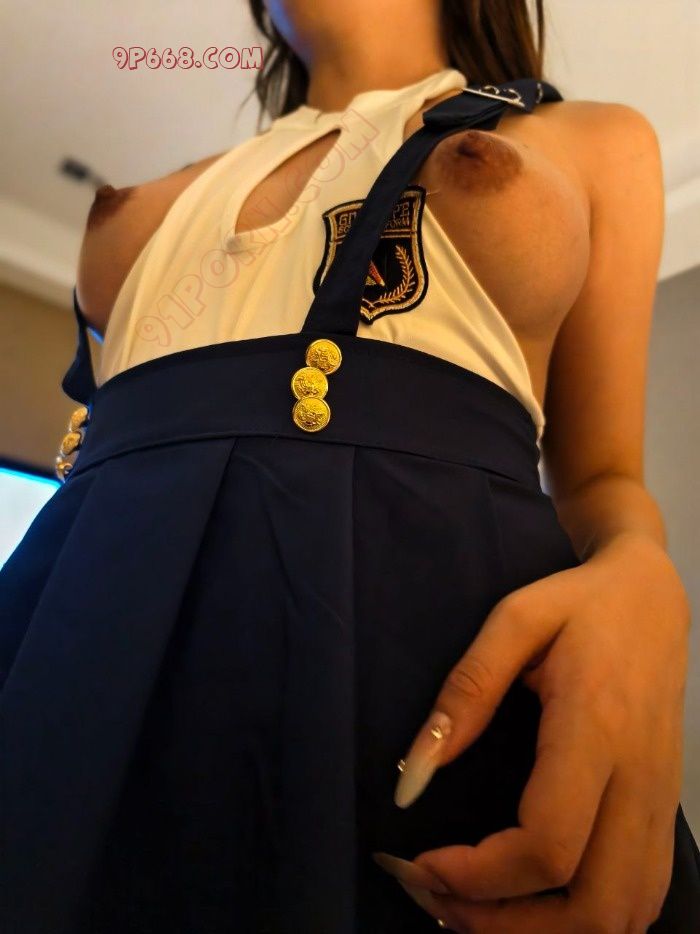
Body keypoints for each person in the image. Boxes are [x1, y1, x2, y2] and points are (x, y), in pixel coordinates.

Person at [1, 1, 699, 932]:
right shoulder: (166, 195)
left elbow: (603, 480)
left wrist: (648, 582)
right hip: (73, 677)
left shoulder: (592, 141)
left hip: (423, 702)